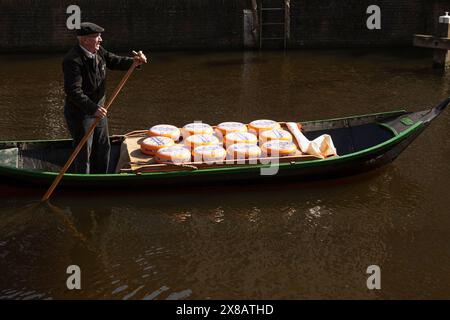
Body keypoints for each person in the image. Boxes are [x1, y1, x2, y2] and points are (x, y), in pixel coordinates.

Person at [63, 22, 147, 174]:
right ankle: (84, 183)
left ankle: (101, 177)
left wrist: (134, 62)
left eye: (100, 36)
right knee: (84, 152)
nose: (100, 40)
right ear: (84, 40)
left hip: (100, 110)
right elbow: (73, 91)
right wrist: (93, 109)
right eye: (97, 37)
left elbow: (114, 61)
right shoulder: (72, 60)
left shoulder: (98, 51)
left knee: (103, 146)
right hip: (82, 114)